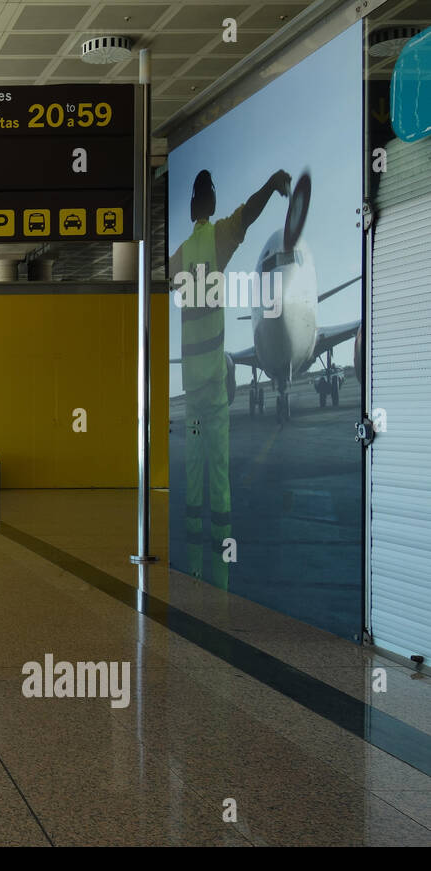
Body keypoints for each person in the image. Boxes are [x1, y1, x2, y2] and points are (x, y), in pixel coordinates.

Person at [168, 167, 290, 589]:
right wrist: (273, 184)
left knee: (195, 471)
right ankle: (220, 569)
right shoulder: (218, 239)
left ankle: (195, 561)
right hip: (214, 391)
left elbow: (165, 283)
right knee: (218, 474)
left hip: (191, 386)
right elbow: (248, 214)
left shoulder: (181, 255)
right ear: (211, 203)